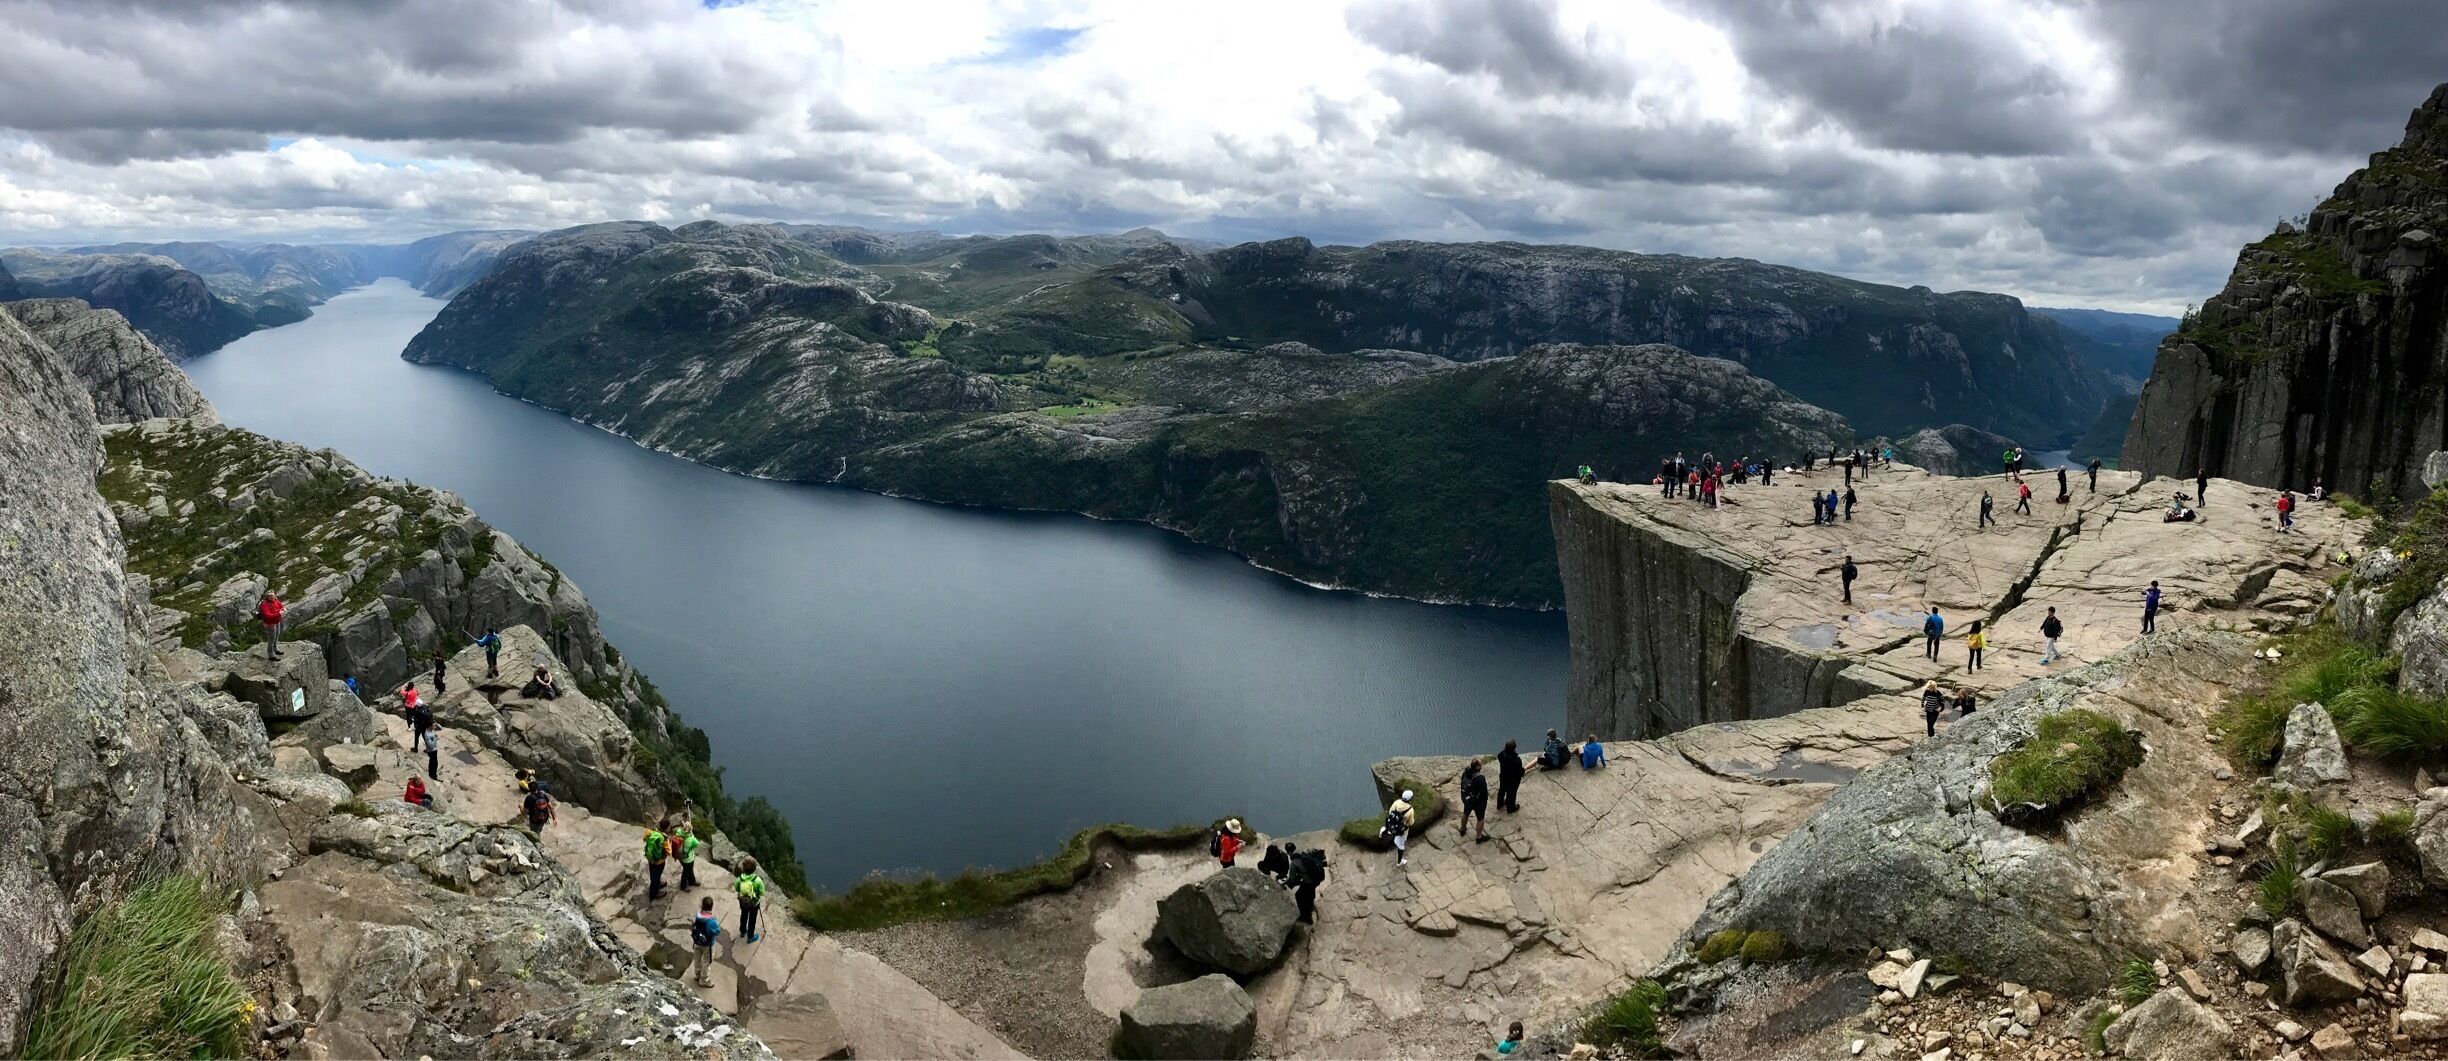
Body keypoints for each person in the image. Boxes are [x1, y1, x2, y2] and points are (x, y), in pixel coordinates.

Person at [1290, 846, 1329, 923]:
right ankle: (1309, 913)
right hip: (1318, 878)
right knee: (1309, 895)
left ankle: (1305, 917)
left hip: (1309, 882)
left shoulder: (1294, 862)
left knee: (1299, 895)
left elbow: (1292, 878)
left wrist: (1294, 882)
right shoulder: (1306, 857)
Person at [688, 896, 721, 988]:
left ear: (702, 906)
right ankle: (704, 980)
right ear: (711, 907)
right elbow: (717, 931)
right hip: (708, 945)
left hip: (697, 942)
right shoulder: (712, 921)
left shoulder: (697, 916)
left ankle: (697, 974)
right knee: (707, 962)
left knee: (697, 959)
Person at [735, 856, 767, 943]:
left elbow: (737, 888)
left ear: (743, 868)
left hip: (742, 901)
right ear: (754, 869)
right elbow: (762, 892)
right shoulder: (757, 880)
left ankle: (742, 931)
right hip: (754, 903)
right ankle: (750, 937)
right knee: (752, 919)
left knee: (743, 915)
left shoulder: (740, 879)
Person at [1382, 791, 1418, 867]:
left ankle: (1384, 832)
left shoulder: (1396, 802)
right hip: (1401, 829)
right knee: (1401, 845)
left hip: (1392, 825)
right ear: (1410, 799)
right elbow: (1411, 823)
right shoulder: (1410, 810)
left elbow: (1390, 812)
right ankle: (1399, 862)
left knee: (1391, 831)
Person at [1458, 758, 1490, 841]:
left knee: (1465, 813)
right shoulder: (1480, 778)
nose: (1482, 765)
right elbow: (1483, 791)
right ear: (1478, 767)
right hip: (1478, 802)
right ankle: (1479, 837)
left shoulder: (1465, 773)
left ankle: (1462, 829)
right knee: (1480, 819)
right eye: (1480, 764)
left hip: (1467, 799)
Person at [645, 819, 671, 901]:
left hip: (650, 858)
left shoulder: (651, 832)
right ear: (667, 828)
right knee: (656, 876)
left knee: (653, 873)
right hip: (659, 861)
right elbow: (668, 852)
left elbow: (645, 838)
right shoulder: (664, 837)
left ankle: (657, 884)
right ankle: (654, 893)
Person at [1497, 739, 1525, 813]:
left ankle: (1499, 804)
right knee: (1511, 793)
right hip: (1513, 780)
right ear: (1514, 749)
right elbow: (1520, 772)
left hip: (1503, 777)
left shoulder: (1501, 756)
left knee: (1502, 790)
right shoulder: (1516, 760)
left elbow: (1501, 754)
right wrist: (1523, 771)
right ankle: (1511, 808)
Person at [256, 590, 285, 660]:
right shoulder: (264, 604)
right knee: (271, 638)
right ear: (267, 597)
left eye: (273, 595)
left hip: (277, 621)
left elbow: (280, 605)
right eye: (270, 596)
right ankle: (271, 654)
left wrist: (282, 608)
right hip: (270, 623)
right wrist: (279, 613)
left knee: (277, 635)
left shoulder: (275, 600)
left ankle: (275, 649)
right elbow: (267, 616)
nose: (272, 597)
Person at [673, 820, 702, 891]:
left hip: (681, 857)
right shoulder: (691, 839)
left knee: (689, 870)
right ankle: (684, 886)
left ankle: (692, 881)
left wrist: (686, 828)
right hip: (688, 859)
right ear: (690, 830)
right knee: (686, 872)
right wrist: (692, 835)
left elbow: (683, 830)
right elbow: (697, 844)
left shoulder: (679, 832)